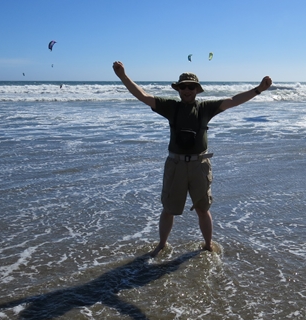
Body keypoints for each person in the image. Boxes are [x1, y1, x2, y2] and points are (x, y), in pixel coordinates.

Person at [112, 61, 272, 256]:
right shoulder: (170, 107)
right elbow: (143, 96)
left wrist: (259, 89)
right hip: (175, 164)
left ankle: (207, 244)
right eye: (183, 87)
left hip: (200, 165)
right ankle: (161, 245)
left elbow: (233, 100)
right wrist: (122, 76)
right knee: (169, 209)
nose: (187, 90)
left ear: (197, 90)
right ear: (178, 89)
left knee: (203, 209)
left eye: (191, 87)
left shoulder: (206, 108)